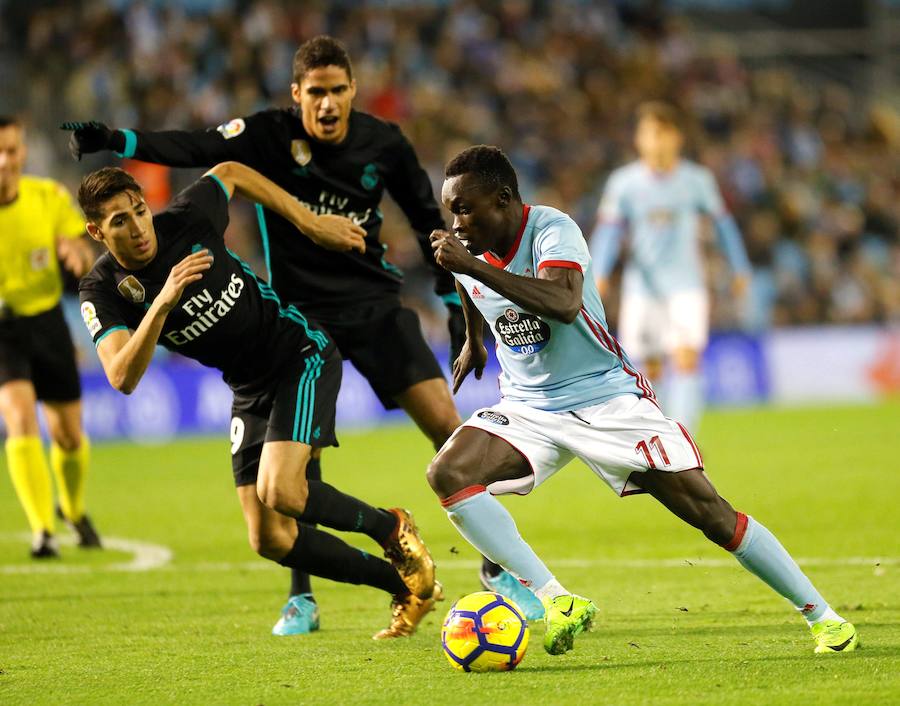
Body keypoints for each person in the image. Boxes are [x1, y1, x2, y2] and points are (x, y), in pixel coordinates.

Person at [62, 34, 541, 628]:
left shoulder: (380, 142)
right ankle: (328, 591)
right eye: (316, 92)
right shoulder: (267, 137)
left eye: (338, 90)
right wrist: (117, 140)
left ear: (353, 92)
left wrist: (449, 297)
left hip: (353, 315)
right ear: (298, 95)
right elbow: (203, 148)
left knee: (440, 428)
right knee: (278, 509)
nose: (327, 103)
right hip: (286, 330)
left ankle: (502, 567)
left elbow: (424, 216)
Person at [427, 144, 858, 656]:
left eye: (464, 209)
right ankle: (557, 599)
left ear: (502, 200)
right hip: (529, 407)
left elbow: (563, 304)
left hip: (607, 401)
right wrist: (475, 340)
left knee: (711, 514)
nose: (455, 223)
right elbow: (468, 284)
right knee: (447, 474)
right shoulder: (468, 249)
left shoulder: (552, 229)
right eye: (450, 210)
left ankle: (824, 618)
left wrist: (471, 270)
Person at [76, 161, 441, 639]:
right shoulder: (101, 290)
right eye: (120, 221)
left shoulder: (188, 218)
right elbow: (121, 375)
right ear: (96, 231)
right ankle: (402, 586)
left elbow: (230, 172)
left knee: (283, 491)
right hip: (248, 387)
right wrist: (162, 302)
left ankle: (390, 528)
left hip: (299, 354)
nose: (138, 227)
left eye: (140, 210)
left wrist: (309, 222)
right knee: (268, 537)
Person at [589, 101, 751, 433]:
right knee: (648, 365)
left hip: (686, 285)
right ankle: (658, 435)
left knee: (686, 356)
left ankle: (684, 438)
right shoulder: (624, 183)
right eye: (649, 133)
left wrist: (740, 266)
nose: (656, 141)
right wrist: (598, 274)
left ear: (676, 137)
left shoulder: (696, 179)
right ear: (638, 139)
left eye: (662, 133)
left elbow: (723, 224)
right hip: (642, 289)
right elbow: (607, 232)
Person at [0, 115, 101, 558]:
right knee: (19, 418)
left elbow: (81, 244)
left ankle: (73, 510)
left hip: (47, 323)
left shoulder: (48, 197)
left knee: (68, 437)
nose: (4, 160)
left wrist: (76, 252)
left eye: (12, 150)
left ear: (23, 152)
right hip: (3, 329)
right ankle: (43, 531)